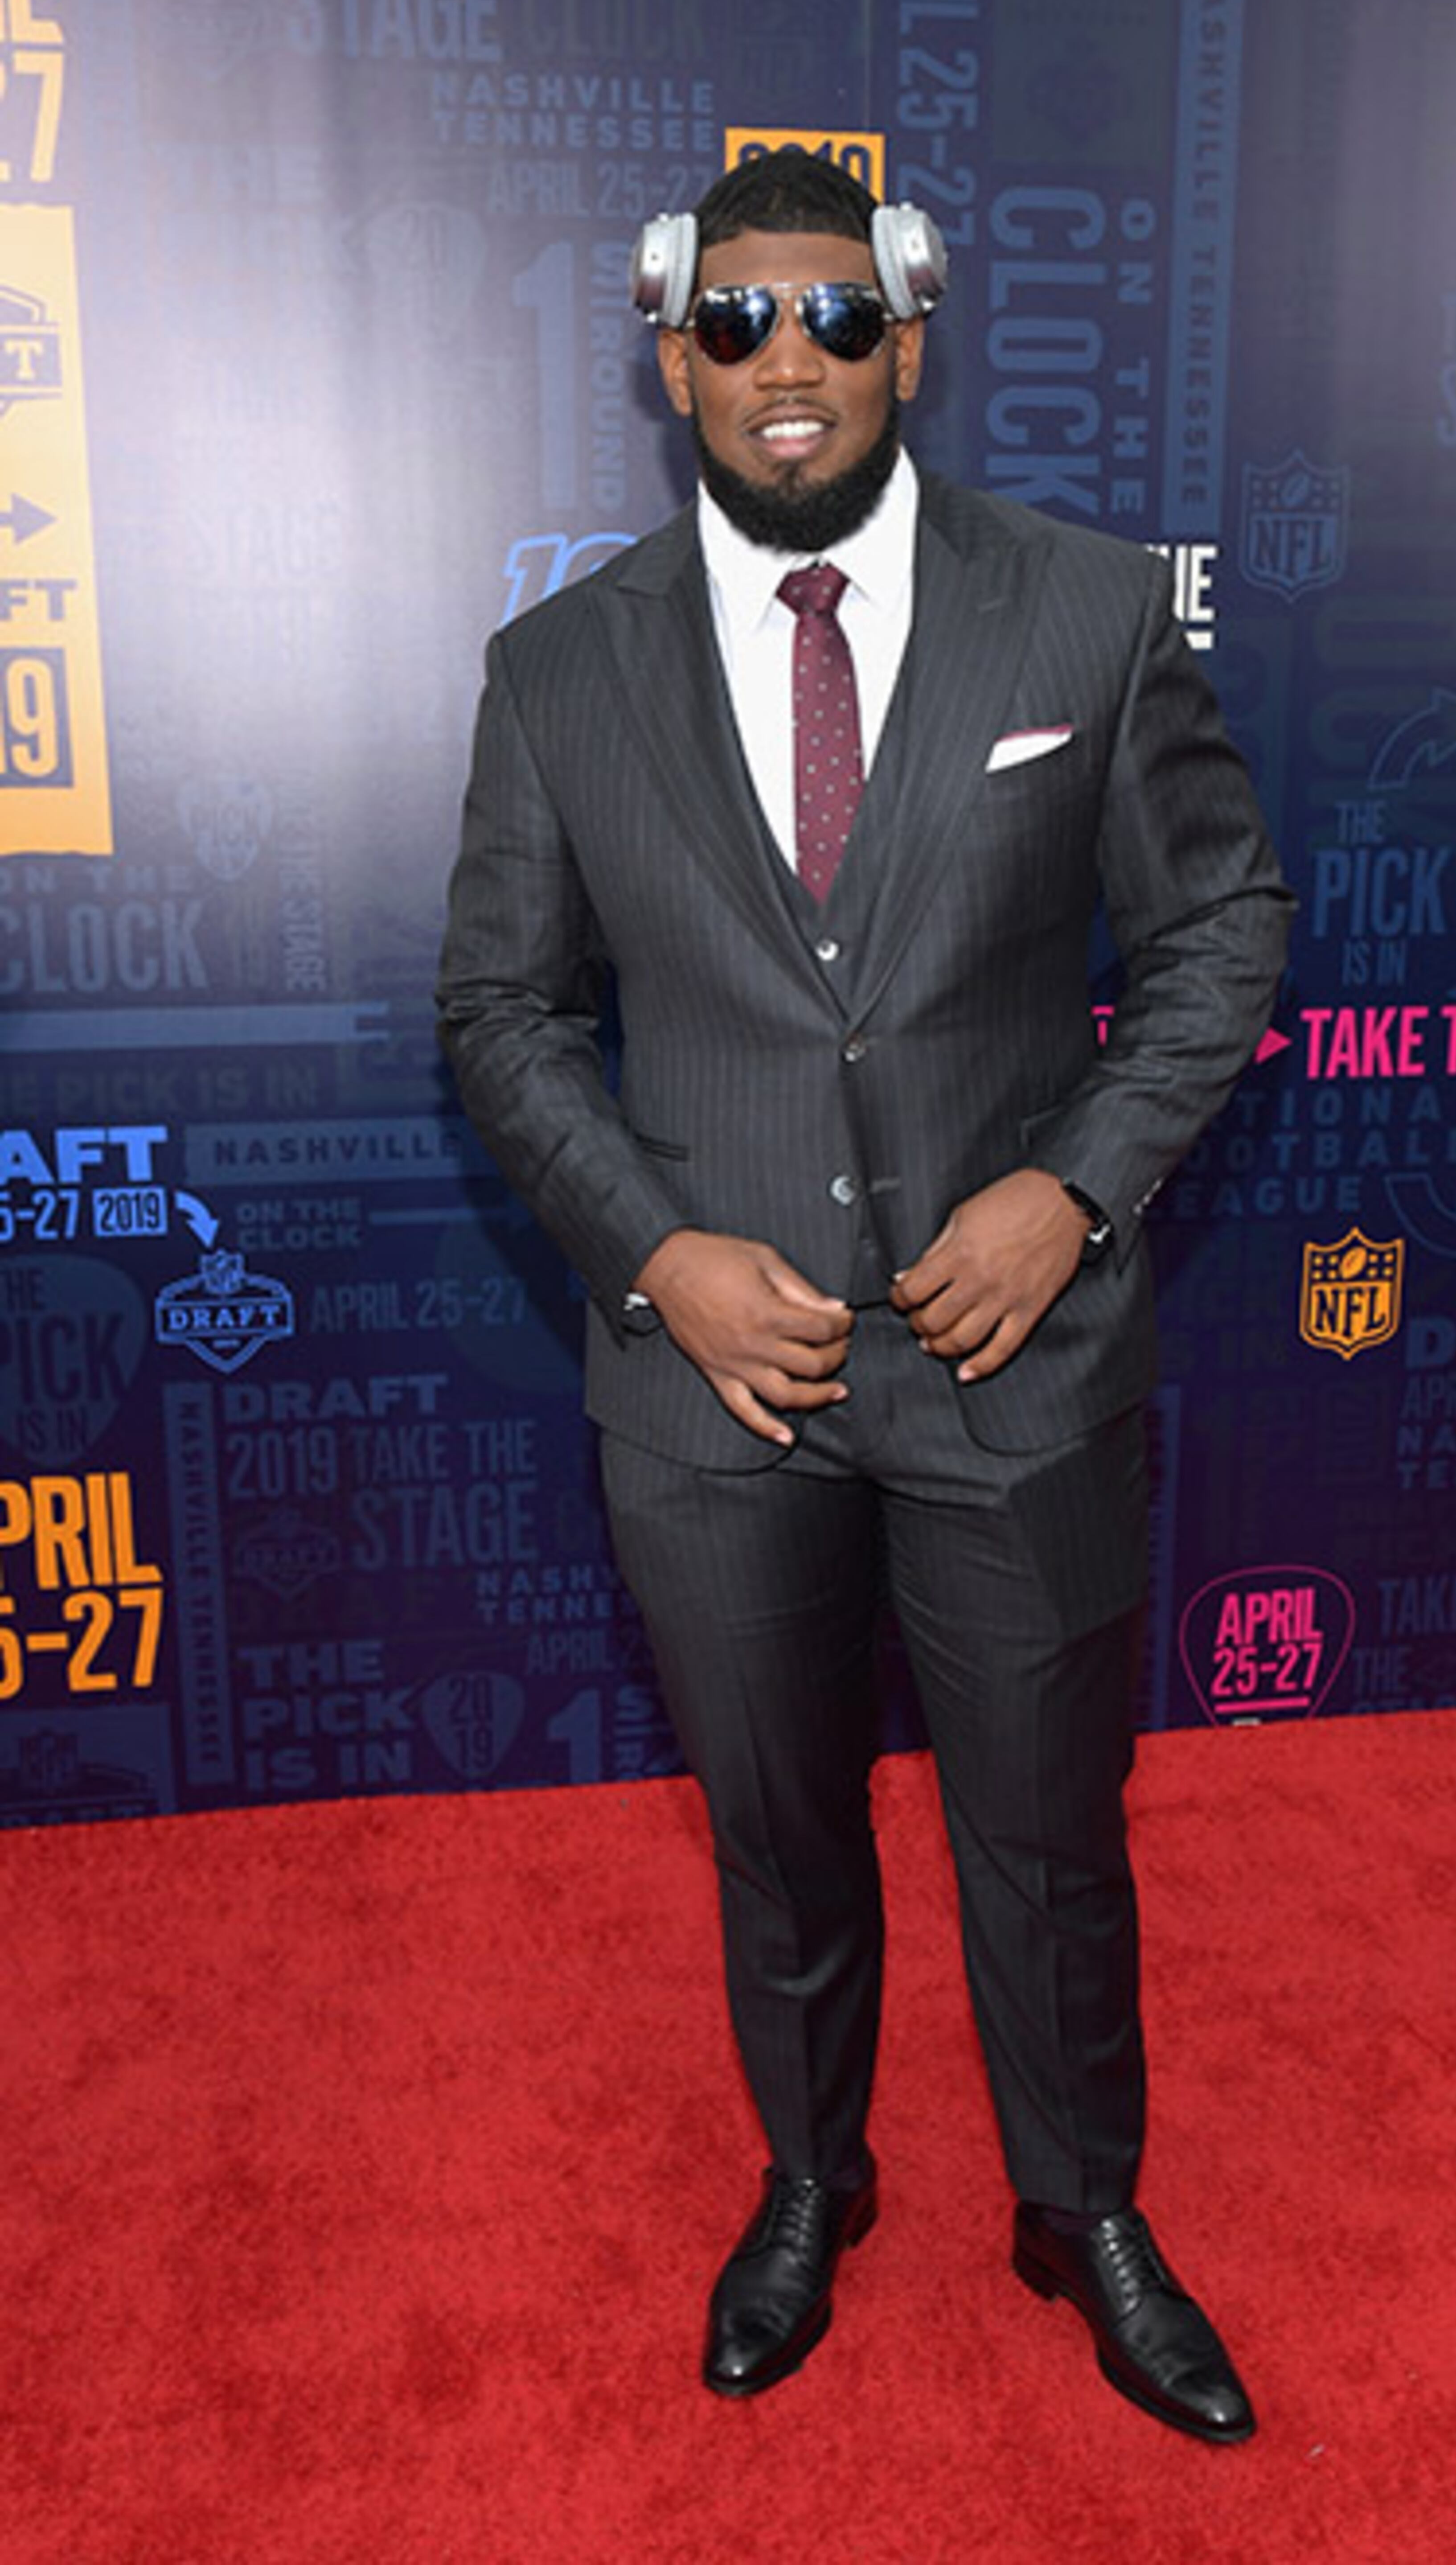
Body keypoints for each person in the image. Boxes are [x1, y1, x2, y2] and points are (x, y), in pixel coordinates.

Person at [437, 146, 1295, 2441]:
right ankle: (816, 2174)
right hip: (713, 1398)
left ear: (909, 335)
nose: (785, 360)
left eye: (832, 314)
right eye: (735, 322)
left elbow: (1223, 928)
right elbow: (502, 1013)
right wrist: (656, 1253)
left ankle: (1083, 2205)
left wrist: (1073, 1193)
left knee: (1049, 1832)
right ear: (674, 358)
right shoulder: (559, 668)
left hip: (1017, 1367)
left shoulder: (1088, 613)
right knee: (782, 1829)